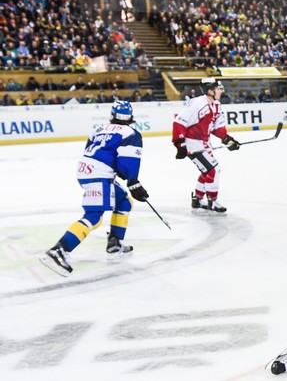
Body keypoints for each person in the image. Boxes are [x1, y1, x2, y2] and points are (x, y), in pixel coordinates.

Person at [40, 100, 150, 277]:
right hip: (100, 175)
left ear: (112, 115)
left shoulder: (98, 129)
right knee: (94, 216)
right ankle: (59, 250)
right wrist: (133, 181)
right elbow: (127, 162)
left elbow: (94, 151)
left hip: (88, 171)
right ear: (130, 117)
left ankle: (114, 242)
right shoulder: (131, 133)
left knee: (123, 202)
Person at [172, 77, 240, 213]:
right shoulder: (198, 104)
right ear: (210, 91)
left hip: (204, 143)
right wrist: (180, 145)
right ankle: (212, 201)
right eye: (218, 89)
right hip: (192, 144)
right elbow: (179, 122)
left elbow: (216, 127)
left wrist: (228, 140)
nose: (221, 91)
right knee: (213, 170)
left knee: (207, 170)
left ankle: (197, 199)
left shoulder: (216, 105)